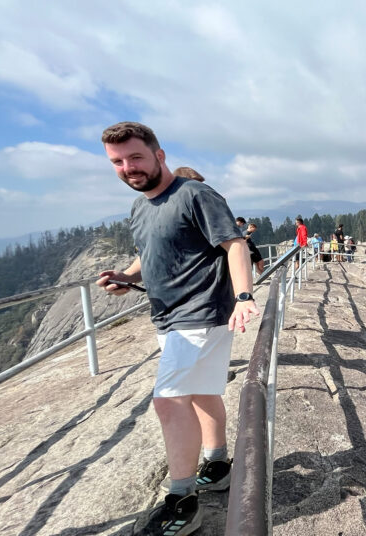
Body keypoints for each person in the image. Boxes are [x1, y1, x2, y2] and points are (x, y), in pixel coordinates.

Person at [96, 122, 259, 536]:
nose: (128, 167)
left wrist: (243, 297)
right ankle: (218, 464)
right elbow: (148, 253)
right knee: (202, 393)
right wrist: (127, 278)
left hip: (199, 314)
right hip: (169, 317)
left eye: (135, 157)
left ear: (159, 154)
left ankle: (183, 498)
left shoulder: (195, 194)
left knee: (168, 402)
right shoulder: (140, 207)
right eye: (118, 161)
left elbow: (234, 244)